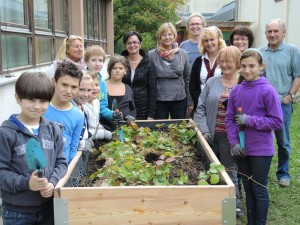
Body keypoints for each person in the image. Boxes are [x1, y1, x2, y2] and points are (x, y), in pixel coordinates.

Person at [0, 72, 67, 225]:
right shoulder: (6, 133)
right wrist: (26, 183)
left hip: (49, 207)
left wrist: (53, 182)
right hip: (17, 213)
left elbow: (61, 162)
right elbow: (1, 172)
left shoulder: (53, 129)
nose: (37, 106)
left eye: (43, 101)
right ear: (18, 98)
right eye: (31, 100)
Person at [225, 48, 283, 224]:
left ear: (261, 66)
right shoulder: (236, 90)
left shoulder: (267, 90)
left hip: (261, 150)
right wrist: (233, 142)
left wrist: (250, 120)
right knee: (248, 189)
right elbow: (229, 119)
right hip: (242, 149)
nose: (247, 70)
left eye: (252, 66)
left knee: (258, 188)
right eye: (243, 66)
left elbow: (277, 121)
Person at [193, 46, 243, 218]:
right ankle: (210, 209)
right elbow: (200, 108)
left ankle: (232, 209)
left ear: (237, 62)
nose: (224, 64)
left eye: (228, 60)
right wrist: (204, 131)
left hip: (231, 137)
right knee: (209, 171)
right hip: (211, 134)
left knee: (230, 173)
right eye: (221, 61)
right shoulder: (211, 82)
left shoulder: (244, 84)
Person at [260, 19, 300, 187]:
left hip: (283, 103)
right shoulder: (260, 52)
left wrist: (290, 95)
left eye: (276, 31)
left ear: (283, 33)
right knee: (262, 140)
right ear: (265, 34)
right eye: (269, 31)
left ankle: (283, 173)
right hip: (263, 104)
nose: (273, 34)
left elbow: (298, 75)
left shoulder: (292, 51)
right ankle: (262, 173)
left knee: (283, 141)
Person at [148, 22, 192, 119]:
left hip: (179, 98)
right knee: (160, 129)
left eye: (170, 34)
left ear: (174, 36)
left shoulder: (183, 54)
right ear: (159, 37)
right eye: (164, 35)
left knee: (180, 129)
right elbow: (149, 81)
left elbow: (187, 78)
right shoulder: (151, 55)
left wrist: (190, 101)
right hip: (160, 99)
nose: (167, 37)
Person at [44, 62, 84, 164]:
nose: (68, 91)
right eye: (64, 85)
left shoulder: (78, 115)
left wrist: (66, 166)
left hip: (62, 169)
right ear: (54, 82)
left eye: (74, 87)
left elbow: (73, 146)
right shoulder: (41, 109)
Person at [121, 31, 157, 120]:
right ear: (125, 45)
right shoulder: (120, 62)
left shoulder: (148, 62)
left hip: (143, 108)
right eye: (129, 43)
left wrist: (151, 114)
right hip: (124, 106)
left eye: (135, 42)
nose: (132, 45)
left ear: (140, 44)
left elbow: (153, 89)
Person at [84, 45, 123, 126]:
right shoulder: (80, 79)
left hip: (96, 124)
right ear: (86, 61)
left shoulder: (102, 83)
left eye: (100, 60)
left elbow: (102, 107)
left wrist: (112, 114)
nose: (97, 64)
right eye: (93, 60)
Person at [189, 26, 226, 112]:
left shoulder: (225, 60)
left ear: (218, 40)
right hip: (200, 105)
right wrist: (199, 102)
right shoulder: (199, 61)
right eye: (206, 40)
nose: (209, 43)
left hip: (220, 105)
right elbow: (193, 85)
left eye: (212, 39)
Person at [105, 56, 136, 130]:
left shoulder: (128, 89)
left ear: (125, 71)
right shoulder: (102, 86)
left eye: (120, 68)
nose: (117, 70)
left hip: (125, 129)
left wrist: (132, 117)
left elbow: (132, 108)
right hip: (105, 128)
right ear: (109, 70)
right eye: (114, 68)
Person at [84, 71, 112, 141]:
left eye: (97, 85)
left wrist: (106, 133)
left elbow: (96, 125)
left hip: (97, 137)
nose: (94, 88)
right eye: (91, 86)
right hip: (87, 141)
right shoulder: (83, 106)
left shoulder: (96, 102)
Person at [71, 72, 95, 153]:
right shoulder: (71, 110)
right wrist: (83, 144)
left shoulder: (83, 107)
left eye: (89, 90)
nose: (85, 94)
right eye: (81, 89)